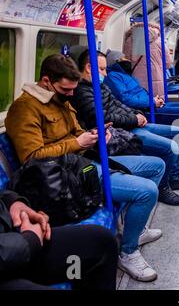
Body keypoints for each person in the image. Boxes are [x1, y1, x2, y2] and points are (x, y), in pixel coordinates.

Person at [5, 54, 165, 281]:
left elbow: (75, 130)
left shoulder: (60, 99)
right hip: (63, 175)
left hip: (84, 161)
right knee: (146, 191)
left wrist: (91, 135)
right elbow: (32, 157)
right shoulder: (25, 108)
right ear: (46, 81)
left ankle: (135, 229)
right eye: (66, 90)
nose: (71, 95)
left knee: (156, 166)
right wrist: (77, 143)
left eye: (73, 89)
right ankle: (128, 252)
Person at [72, 50, 179, 206]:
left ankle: (174, 178)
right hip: (122, 130)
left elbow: (118, 104)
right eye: (102, 69)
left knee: (178, 132)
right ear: (89, 68)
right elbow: (102, 117)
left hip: (131, 123)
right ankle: (163, 188)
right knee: (169, 146)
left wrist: (137, 114)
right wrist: (134, 119)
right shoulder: (81, 91)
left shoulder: (100, 86)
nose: (105, 74)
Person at [0, 190, 118, 290]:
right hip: (11, 255)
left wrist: (12, 201)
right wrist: (29, 240)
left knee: (101, 244)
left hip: (12, 241)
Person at [103, 49, 179, 162]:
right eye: (123, 58)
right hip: (144, 108)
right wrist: (151, 102)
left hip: (149, 103)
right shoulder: (113, 77)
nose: (127, 60)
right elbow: (127, 99)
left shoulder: (125, 74)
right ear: (115, 61)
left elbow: (139, 92)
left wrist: (154, 99)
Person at [123, 22, 172, 95]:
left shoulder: (131, 40)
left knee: (140, 101)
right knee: (157, 102)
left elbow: (126, 61)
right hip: (157, 80)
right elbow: (168, 64)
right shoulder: (159, 41)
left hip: (137, 80)